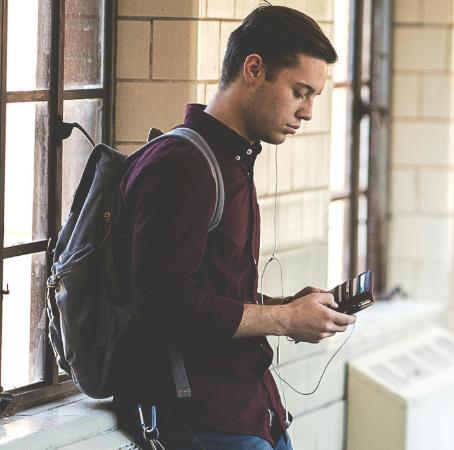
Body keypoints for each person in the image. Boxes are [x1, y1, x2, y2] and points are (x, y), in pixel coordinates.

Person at [112, 5, 355, 449]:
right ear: (254, 69)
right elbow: (162, 302)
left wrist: (289, 307)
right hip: (202, 414)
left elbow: (212, 295)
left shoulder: (231, 161)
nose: (308, 112)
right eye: (301, 91)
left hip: (247, 409)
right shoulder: (183, 166)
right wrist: (283, 319)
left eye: (315, 96)